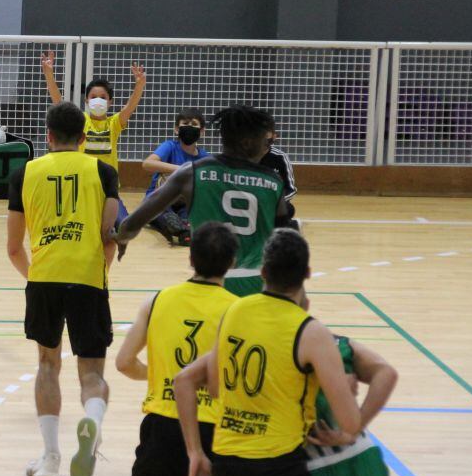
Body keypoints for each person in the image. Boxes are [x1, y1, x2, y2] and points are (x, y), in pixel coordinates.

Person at [172, 229, 361, 476]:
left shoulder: (234, 310)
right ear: (307, 274)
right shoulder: (311, 331)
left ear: (263, 272)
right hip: (280, 465)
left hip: (227, 461)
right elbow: (350, 422)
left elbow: (215, 389)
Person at [7, 101, 120, 476]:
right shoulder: (103, 172)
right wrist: (96, 274)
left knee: (47, 365)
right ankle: (93, 419)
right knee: (91, 372)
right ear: (84, 138)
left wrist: (34, 277)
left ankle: (51, 458)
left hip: (45, 278)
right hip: (88, 278)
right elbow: (110, 240)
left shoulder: (25, 173)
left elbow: (12, 247)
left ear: (48, 136)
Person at [115, 221, 239, 476]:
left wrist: (160, 374)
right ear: (232, 262)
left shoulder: (156, 301)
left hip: (163, 427)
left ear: (191, 257)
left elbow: (124, 363)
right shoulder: (239, 311)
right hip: (216, 429)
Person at [117, 105, 288, 297]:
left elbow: (133, 221)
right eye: (266, 141)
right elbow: (285, 238)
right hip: (255, 285)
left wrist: (122, 238)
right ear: (248, 142)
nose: (268, 145)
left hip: (207, 285)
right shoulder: (273, 181)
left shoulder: (192, 171)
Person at [41, 52, 146, 224]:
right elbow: (58, 102)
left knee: (121, 226)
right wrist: (49, 75)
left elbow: (130, 106)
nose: (98, 100)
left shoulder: (114, 123)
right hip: (83, 188)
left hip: (108, 190)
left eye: (103, 98)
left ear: (110, 102)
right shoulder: (81, 120)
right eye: (94, 97)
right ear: (87, 101)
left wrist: (139, 85)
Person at [305, 335, 397, 476]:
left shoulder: (280, 352)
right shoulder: (338, 343)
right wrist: (355, 429)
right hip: (365, 458)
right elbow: (386, 372)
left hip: (314, 468)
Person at [141, 107, 208, 245]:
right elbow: (147, 164)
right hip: (160, 198)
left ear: (202, 131)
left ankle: (184, 231)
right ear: (177, 129)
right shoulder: (170, 146)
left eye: (194, 124)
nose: (189, 127)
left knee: (190, 214)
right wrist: (181, 170)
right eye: (185, 124)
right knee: (159, 212)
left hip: (184, 202)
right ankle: (175, 226)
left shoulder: (204, 157)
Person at [261, 128, 300, 230]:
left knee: (288, 209)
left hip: (274, 202)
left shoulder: (280, 157)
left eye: (268, 135)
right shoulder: (247, 157)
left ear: (274, 136)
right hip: (252, 199)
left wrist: (276, 201)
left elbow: (291, 189)